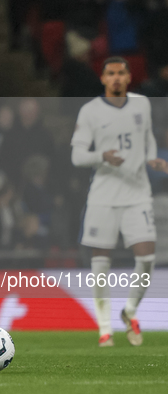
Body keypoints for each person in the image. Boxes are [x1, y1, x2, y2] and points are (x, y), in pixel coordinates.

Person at [71, 56, 168, 347]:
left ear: (128, 78)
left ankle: (129, 312)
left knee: (147, 257)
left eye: (121, 73)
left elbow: (147, 136)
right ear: (102, 78)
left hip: (137, 192)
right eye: (110, 73)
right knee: (101, 263)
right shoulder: (90, 111)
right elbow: (77, 157)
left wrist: (151, 156)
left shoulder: (142, 104)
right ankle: (104, 329)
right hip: (103, 195)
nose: (116, 78)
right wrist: (103, 156)